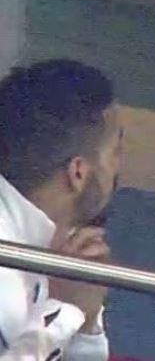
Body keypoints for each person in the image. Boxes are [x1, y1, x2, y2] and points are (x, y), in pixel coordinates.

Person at [0, 59, 123, 360]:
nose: (119, 171)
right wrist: (65, 310)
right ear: (78, 172)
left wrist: (85, 326)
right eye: (115, 152)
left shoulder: (49, 259)